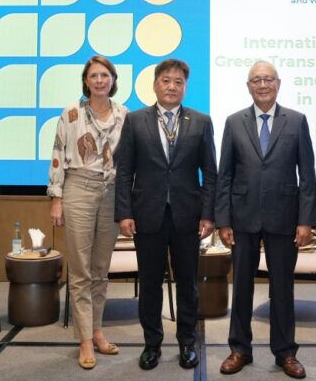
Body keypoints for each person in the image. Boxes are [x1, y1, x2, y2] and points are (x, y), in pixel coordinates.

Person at [215, 60, 316, 379]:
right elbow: (225, 175)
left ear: (278, 83)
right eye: (256, 80)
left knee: (282, 287)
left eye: (268, 79)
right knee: (242, 286)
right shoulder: (233, 122)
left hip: (285, 217)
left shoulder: (297, 121)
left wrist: (306, 221)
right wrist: (223, 220)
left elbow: (308, 175)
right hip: (241, 217)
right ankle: (239, 349)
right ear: (248, 86)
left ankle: (285, 352)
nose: (262, 85)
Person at [114, 58, 217, 371]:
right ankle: (152, 344)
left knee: (187, 283)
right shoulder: (135, 120)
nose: (172, 87)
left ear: (185, 87)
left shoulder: (200, 121)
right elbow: (124, 172)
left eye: (179, 82)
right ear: (155, 84)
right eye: (167, 81)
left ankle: (187, 342)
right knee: (149, 283)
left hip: (188, 215)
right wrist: (124, 213)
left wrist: (208, 215)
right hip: (147, 215)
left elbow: (210, 172)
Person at [47, 55, 128, 370]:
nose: (99, 80)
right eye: (93, 75)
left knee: (100, 270)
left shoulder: (125, 115)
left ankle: (97, 332)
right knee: (80, 272)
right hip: (78, 190)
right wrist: (56, 197)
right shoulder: (70, 114)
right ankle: (83, 340)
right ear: (86, 80)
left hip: (112, 193)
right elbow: (57, 155)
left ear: (112, 79)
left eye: (104, 75)